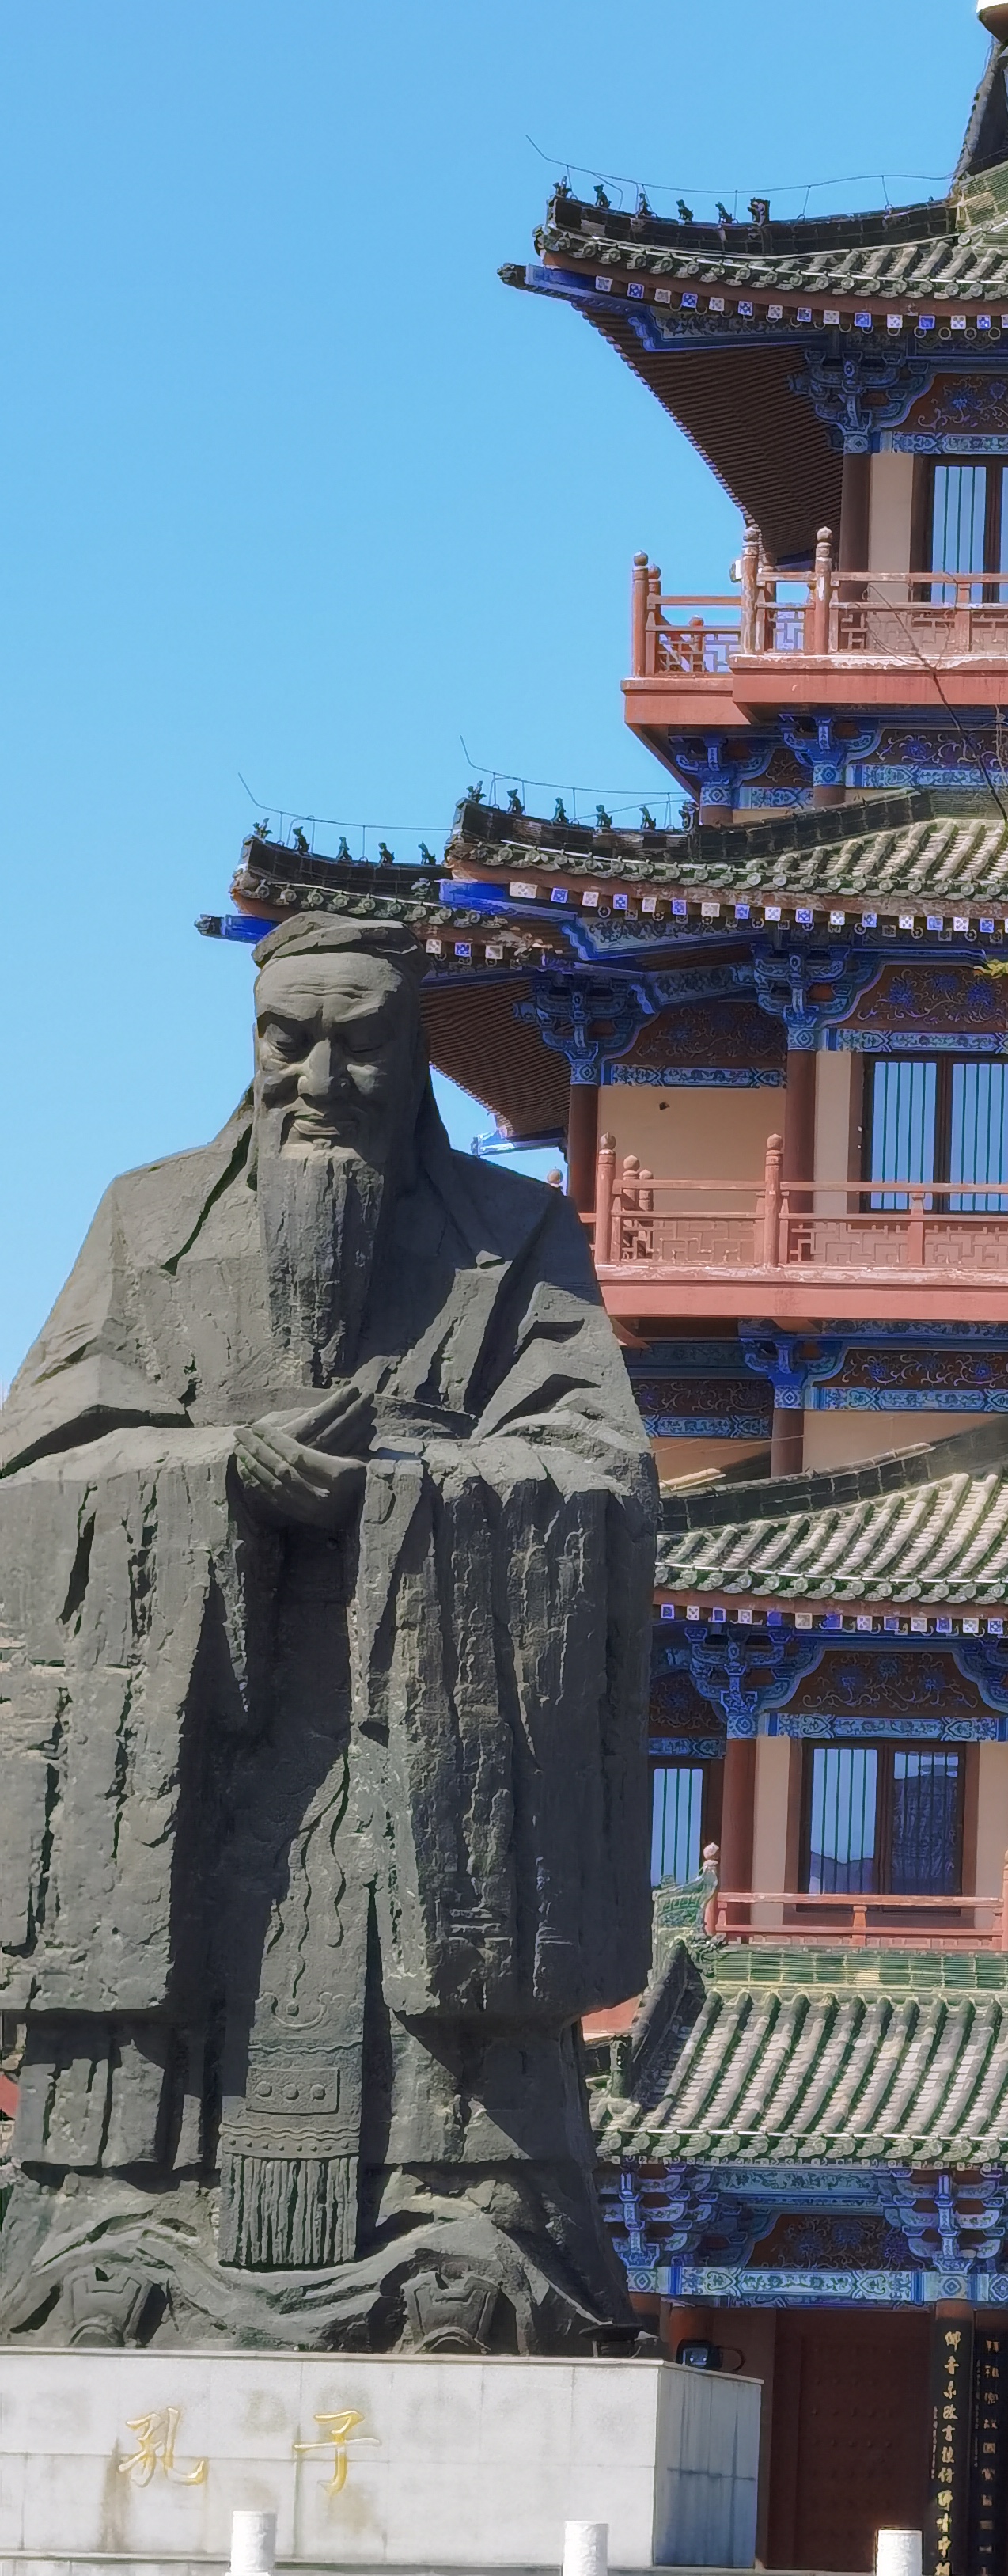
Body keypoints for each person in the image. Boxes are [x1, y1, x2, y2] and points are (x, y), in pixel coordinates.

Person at [0, 916, 655, 2351]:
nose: (321, 1075)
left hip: (434, 1732)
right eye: (287, 1040)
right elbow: (36, 1472)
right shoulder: (144, 1223)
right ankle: (118, 2226)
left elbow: (601, 1474)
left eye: (361, 1040)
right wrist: (212, 1476)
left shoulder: (514, 1235)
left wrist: (409, 1492)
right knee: (138, 2090)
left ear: (415, 1053)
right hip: (187, 1730)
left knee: (451, 2074)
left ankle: (463, 2232)